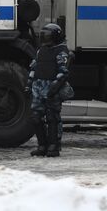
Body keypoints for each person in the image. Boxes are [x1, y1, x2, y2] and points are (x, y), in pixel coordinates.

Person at [26, 23, 73, 157]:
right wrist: (29, 83)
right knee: (36, 117)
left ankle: (53, 146)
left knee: (52, 117)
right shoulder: (42, 50)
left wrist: (55, 87)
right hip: (39, 87)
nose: (45, 39)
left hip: (52, 88)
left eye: (47, 36)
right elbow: (34, 68)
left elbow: (63, 72)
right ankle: (42, 145)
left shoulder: (61, 51)